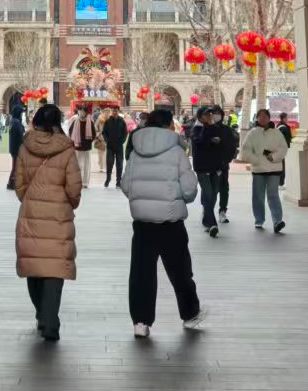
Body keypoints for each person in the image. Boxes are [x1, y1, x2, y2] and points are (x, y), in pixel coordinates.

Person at [120, 106, 205, 336]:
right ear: (169, 125)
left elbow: (126, 185)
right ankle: (190, 314)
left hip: (142, 223)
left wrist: (142, 200)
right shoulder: (177, 152)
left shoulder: (135, 152)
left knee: (141, 273)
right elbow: (189, 190)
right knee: (180, 271)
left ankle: (141, 322)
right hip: (170, 222)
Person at [13, 102, 82, 342]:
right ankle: (50, 319)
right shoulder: (66, 149)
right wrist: (70, 202)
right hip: (58, 215)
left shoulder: (25, 147)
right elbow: (74, 187)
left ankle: (42, 314)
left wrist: (30, 198)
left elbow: (19, 184)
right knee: (54, 269)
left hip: (31, 212)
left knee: (34, 267)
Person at [190, 104, 237, 235]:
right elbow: (200, 142)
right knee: (208, 193)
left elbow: (225, 145)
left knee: (214, 194)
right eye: (206, 114)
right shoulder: (196, 129)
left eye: (210, 114)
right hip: (202, 167)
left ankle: (207, 219)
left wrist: (224, 160)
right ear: (200, 116)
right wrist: (211, 139)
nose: (209, 116)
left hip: (216, 167)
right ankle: (211, 223)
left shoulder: (217, 128)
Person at [240, 108, 287, 233]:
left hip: (274, 169)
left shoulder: (276, 132)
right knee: (258, 196)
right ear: (257, 118)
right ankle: (259, 220)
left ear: (269, 118)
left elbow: (283, 148)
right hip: (259, 170)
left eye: (265, 116)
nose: (262, 118)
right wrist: (255, 160)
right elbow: (245, 150)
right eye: (260, 116)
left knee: (273, 195)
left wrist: (274, 157)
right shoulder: (252, 133)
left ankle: (277, 221)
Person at [69, 103, 98, 187]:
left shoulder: (90, 122)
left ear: (86, 112)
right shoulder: (75, 121)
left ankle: (85, 182)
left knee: (86, 165)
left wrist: (88, 141)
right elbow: (71, 133)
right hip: (77, 146)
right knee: (77, 165)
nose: (81, 112)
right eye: (79, 111)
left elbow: (93, 134)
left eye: (82, 111)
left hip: (87, 147)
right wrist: (75, 141)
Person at [101, 103, 128, 188]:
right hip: (110, 145)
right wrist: (107, 140)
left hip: (119, 146)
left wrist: (122, 141)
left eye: (116, 111)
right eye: (113, 111)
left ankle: (118, 181)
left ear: (118, 111)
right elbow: (104, 132)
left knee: (119, 164)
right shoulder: (108, 121)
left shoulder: (122, 121)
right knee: (109, 163)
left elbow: (125, 132)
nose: (114, 112)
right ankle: (108, 179)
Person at [6, 96, 26, 190]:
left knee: (15, 166)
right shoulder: (17, 122)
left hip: (13, 147)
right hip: (17, 148)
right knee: (15, 166)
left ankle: (12, 182)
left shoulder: (13, 121)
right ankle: (11, 183)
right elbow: (21, 136)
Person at [276, 111, 294, 187]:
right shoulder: (283, 127)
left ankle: (280, 182)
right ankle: (280, 183)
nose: (287, 119)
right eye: (286, 118)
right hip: (281, 149)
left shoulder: (280, 126)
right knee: (282, 166)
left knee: (281, 165)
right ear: (283, 118)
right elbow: (284, 139)